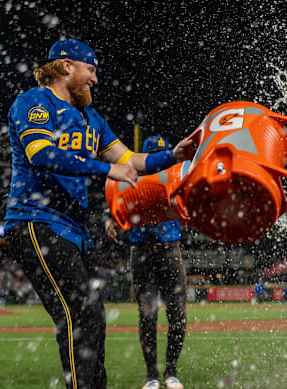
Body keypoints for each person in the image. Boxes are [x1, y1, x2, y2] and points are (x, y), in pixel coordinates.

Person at [3, 39, 196, 389]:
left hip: (71, 230)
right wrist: (106, 170)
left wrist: (174, 155)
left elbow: (132, 160)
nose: (95, 79)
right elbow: (41, 154)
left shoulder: (92, 119)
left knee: (92, 315)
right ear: (66, 67)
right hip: (35, 221)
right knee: (81, 313)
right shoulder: (34, 102)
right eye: (90, 70)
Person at [106, 135, 186, 389]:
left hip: (169, 249)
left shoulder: (176, 176)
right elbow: (113, 201)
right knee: (147, 315)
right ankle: (152, 375)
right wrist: (109, 219)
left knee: (178, 315)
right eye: (156, 155)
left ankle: (171, 372)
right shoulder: (130, 177)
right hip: (141, 252)